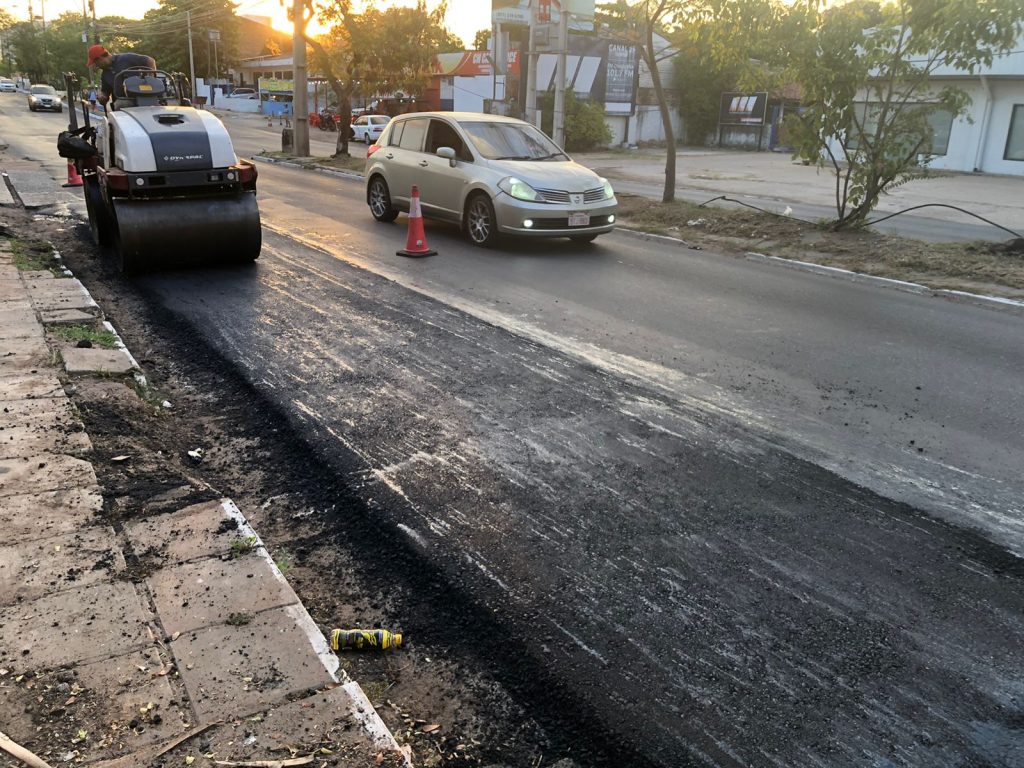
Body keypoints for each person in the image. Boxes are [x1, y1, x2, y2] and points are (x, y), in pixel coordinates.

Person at [86, 44, 156, 107]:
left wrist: (151, 80)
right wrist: (102, 96)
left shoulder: (126, 58)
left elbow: (150, 61)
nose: (96, 66)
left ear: (100, 59)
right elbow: (105, 92)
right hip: (123, 100)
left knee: (120, 104)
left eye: (96, 63)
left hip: (142, 96)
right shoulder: (104, 75)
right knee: (120, 104)